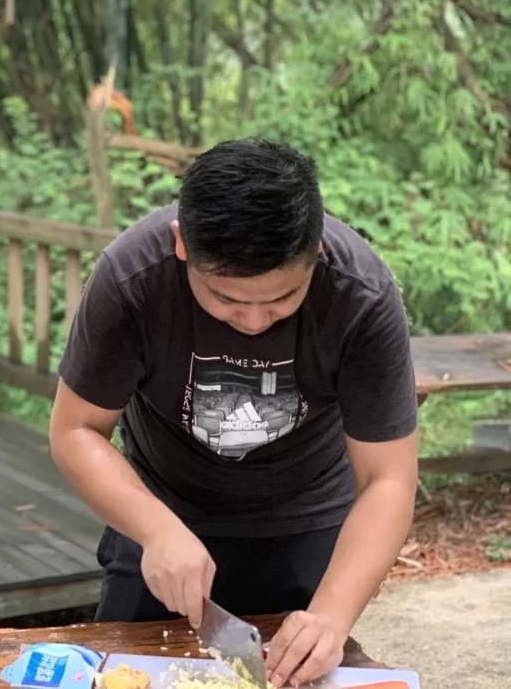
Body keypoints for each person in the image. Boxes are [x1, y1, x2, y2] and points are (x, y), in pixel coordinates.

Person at [50, 139, 417, 688]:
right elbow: (76, 430)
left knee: (306, 665)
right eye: (226, 299)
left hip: (308, 518)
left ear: (316, 250)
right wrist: (155, 529)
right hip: (160, 512)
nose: (253, 320)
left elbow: (388, 478)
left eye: (281, 299)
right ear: (182, 245)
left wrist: (330, 618)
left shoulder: (360, 294)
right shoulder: (132, 279)